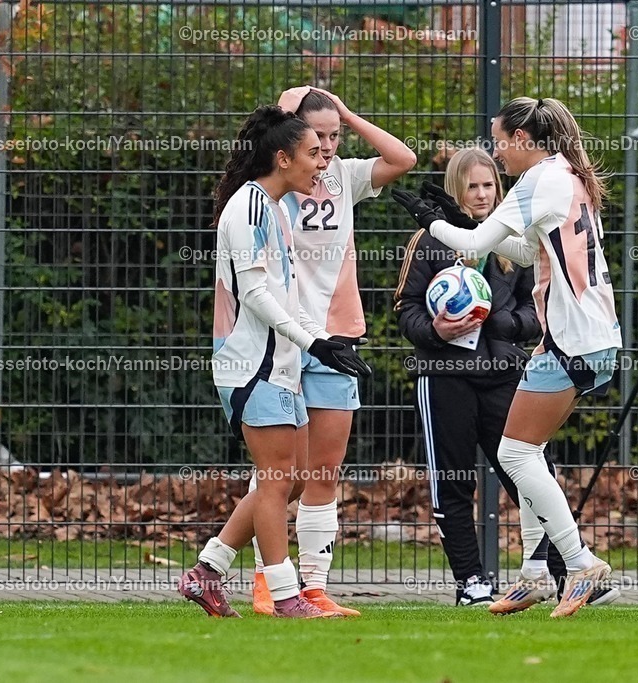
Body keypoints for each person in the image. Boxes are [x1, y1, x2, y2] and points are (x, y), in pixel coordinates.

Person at [392, 96, 621, 618]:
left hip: (572, 340)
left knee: (516, 456)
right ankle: (535, 576)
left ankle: (580, 561)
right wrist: (454, 222)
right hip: (591, 338)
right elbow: (525, 252)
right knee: (527, 451)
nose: (497, 154)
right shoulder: (569, 174)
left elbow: (472, 247)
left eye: (499, 142)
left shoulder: (538, 179)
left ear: (522, 140)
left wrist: (434, 222)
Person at [177, 105, 370, 619]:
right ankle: (285, 596)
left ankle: (208, 571)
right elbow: (257, 294)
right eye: (312, 153)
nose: (321, 163)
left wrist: (323, 341)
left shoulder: (273, 206)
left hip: (278, 362)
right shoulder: (250, 209)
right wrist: (312, 343)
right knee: (277, 479)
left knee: (289, 477)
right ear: (282, 158)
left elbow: (285, 300)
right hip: (253, 366)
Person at [248, 86, 416, 617]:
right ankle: (267, 580)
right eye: (316, 135)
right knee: (279, 472)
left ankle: (314, 586)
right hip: (283, 337)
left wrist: (345, 113)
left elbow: (402, 159)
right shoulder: (272, 188)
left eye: (334, 135)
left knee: (325, 469)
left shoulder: (343, 175)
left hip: (336, 337)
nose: (326, 145)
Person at [394, 148, 571, 606]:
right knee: (452, 481)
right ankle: (471, 582)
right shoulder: (429, 241)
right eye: (471, 186)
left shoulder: (516, 240)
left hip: (504, 375)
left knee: (529, 474)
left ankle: (561, 572)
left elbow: (539, 311)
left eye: (489, 185)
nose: (481, 194)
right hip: (445, 376)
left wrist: (502, 323)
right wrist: (436, 329)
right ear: (456, 189)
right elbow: (405, 310)